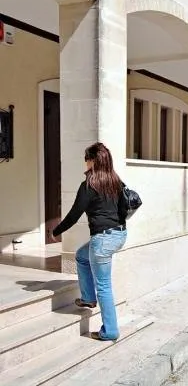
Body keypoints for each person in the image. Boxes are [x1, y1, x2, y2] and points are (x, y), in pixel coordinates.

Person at [52, 142, 128, 340]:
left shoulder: (89, 184)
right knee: (81, 256)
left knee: (103, 285)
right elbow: (122, 210)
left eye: (86, 159)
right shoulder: (116, 182)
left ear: (93, 161)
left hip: (103, 239)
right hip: (119, 235)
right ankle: (87, 298)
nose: (85, 163)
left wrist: (57, 231)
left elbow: (74, 215)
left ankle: (110, 331)